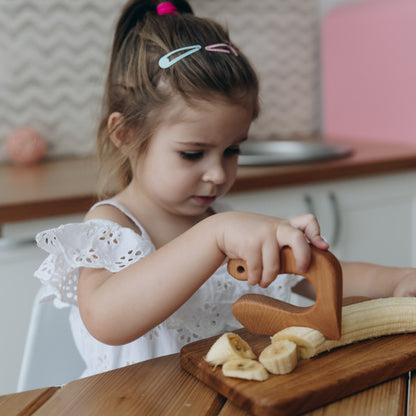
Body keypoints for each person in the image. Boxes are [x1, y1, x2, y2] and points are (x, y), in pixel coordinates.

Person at [35, 0, 416, 378]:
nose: (217, 173)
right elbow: (106, 319)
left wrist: (396, 279)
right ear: (126, 135)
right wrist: (214, 234)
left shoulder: (221, 221)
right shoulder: (112, 226)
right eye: (192, 154)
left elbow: (314, 276)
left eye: (232, 149)